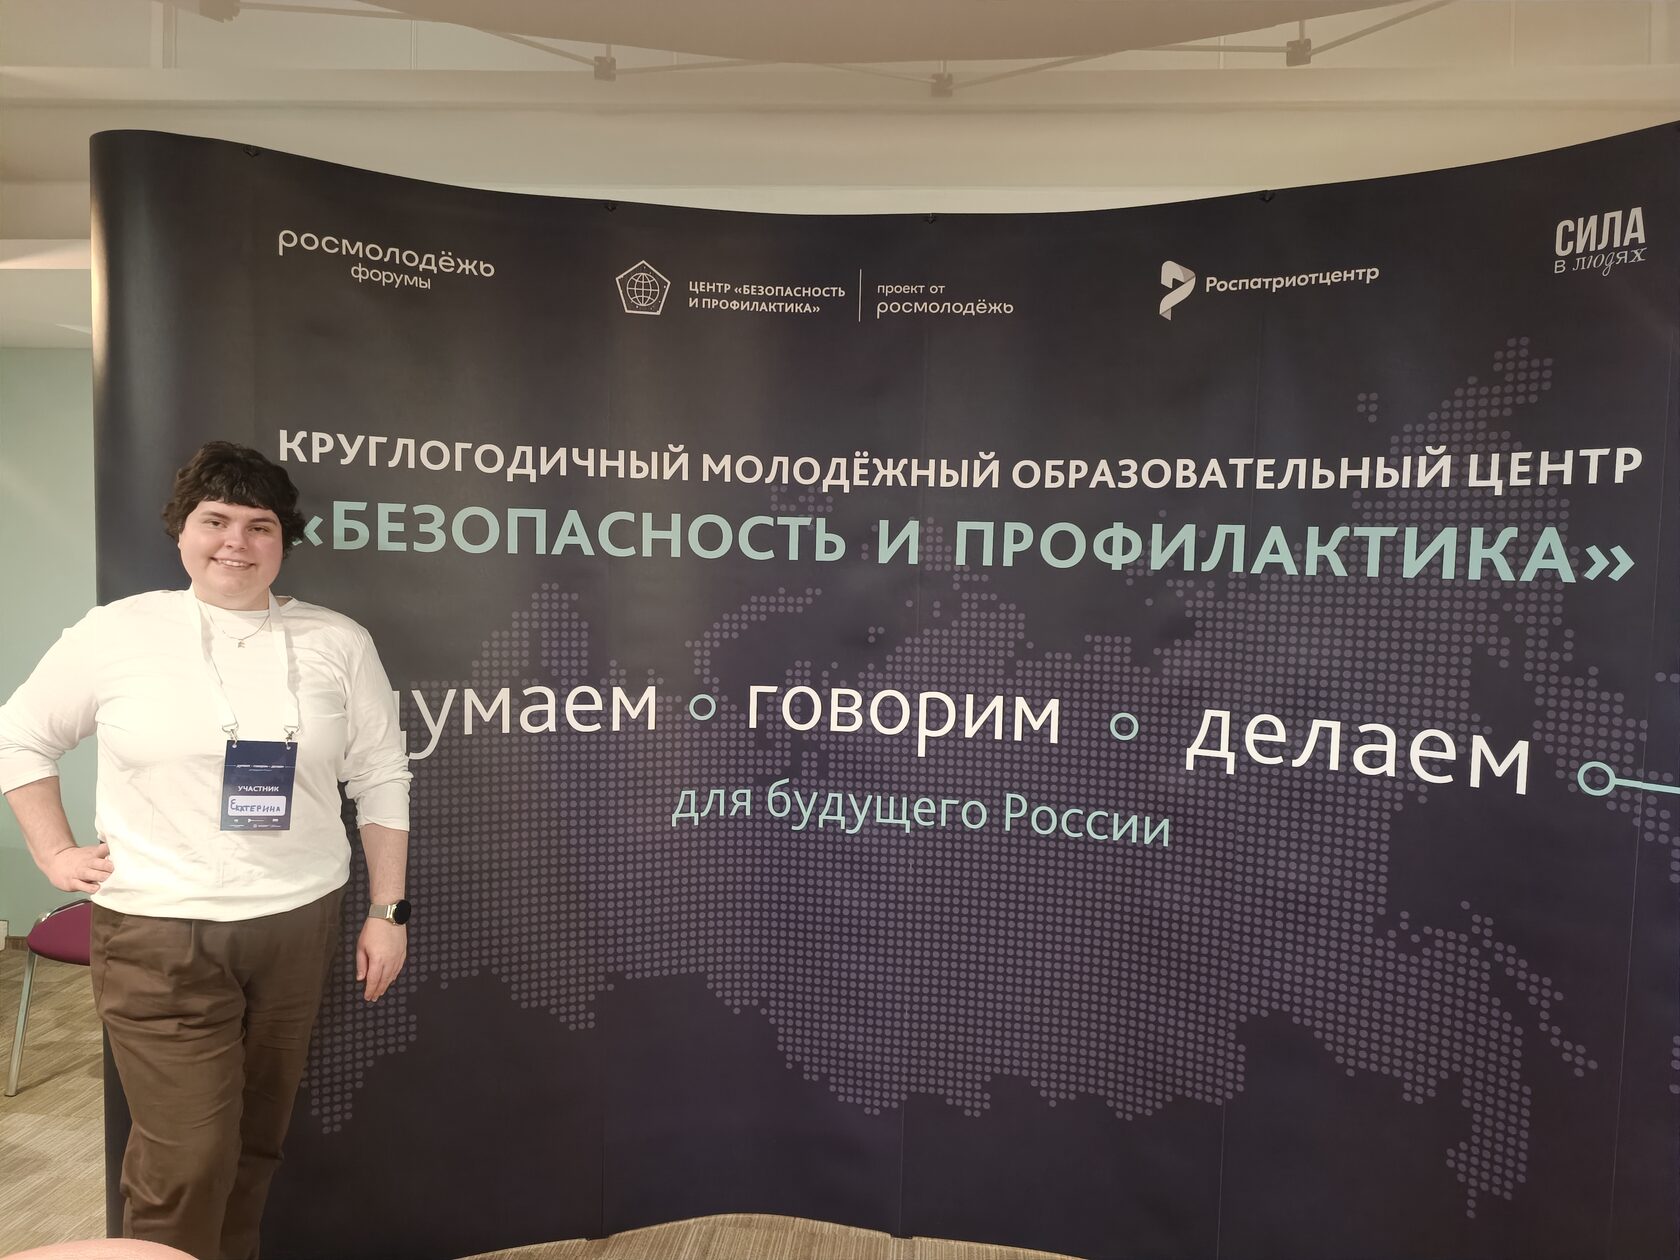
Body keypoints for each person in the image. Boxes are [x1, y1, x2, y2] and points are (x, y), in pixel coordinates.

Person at [0, 442, 411, 1260]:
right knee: (185, 1163)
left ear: (283, 540)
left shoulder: (337, 640)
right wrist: (53, 852)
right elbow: (21, 738)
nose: (236, 542)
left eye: (260, 526)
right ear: (181, 531)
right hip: (159, 933)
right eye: (215, 520)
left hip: (298, 924)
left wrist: (387, 909)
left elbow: (380, 774)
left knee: (256, 1142)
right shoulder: (117, 633)